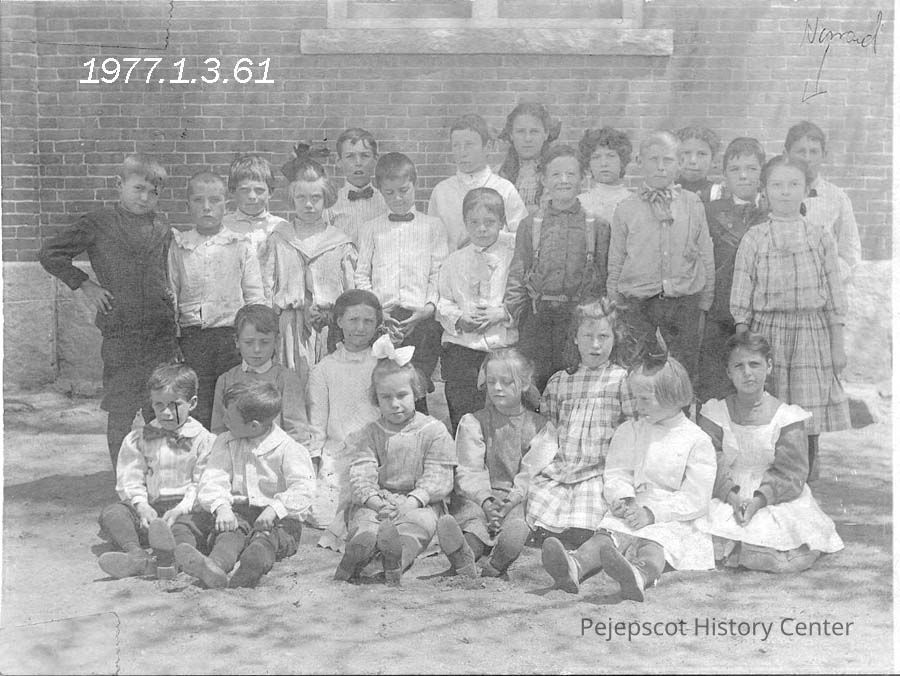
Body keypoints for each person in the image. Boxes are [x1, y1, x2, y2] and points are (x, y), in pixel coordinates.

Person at [542, 336, 716, 602]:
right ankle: (575, 565)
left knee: (655, 545)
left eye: (645, 399)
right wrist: (623, 499)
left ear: (672, 396)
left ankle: (639, 574)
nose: (637, 406)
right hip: (634, 506)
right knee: (605, 537)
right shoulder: (631, 430)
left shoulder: (696, 440)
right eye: (635, 398)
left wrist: (653, 513)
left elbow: (696, 497)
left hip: (672, 516)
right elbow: (617, 472)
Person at [39, 153, 179, 467]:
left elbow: (167, 270)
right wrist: (86, 284)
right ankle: (121, 474)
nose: (145, 198)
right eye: (138, 188)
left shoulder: (162, 226)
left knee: (159, 404)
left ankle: (159, 472)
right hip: (121, 330)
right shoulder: (98, 222)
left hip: (159, 332)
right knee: (122, 405)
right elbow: (50, 253)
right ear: (119, 184)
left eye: (153, 192)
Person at [731, 154, 850, 479]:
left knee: (807, 405)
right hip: (767, 333)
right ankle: (771, 474)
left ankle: (805, 473)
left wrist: (837, 344)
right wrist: (744, 340)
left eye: (794, 184)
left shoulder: (820, 236)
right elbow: (742, 289)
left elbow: (834, 293)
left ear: (807, 189)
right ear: (765, 190)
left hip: (811, 332)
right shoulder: (755, 237)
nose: (785, 192)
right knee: (770, 403)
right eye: (777, 185)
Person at [698, 332, 844, 572]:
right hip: (725, 489)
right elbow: (708, 460)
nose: (747, 372)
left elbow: (792, 473)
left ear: (769, 367)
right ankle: (739, 549)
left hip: (772, 493)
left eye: (754, 364)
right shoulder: (715, 412)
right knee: (701, 528)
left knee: (782, 533)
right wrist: (732, 497)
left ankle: (752, 551)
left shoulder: (786, 417)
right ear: (728, 372)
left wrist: (757, 501)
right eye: (739, 366)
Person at [334, 336, 456, 585]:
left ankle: (396, 558)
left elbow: (438, 475)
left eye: (402, 395)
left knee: (418, 525)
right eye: (386, 397)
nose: (395, 404)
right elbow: (361, 471)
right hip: (379, 500)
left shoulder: (433, 430)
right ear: (376, 399)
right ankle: (358, 552)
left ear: (416, 393)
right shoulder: (370, 432)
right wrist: (376, 503)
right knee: (365, 520)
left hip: (419, 502)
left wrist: (413, 502)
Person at [174, 380, 316, 588]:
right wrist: (222, 508)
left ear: (254, 426)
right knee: (228, 535)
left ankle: (251, 567)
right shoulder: (226, 441)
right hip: (239, 512)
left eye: (229, 418)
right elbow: (213, 477)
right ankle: (214, 566)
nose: (224, 420)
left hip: (279, 520)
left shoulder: (289, 449)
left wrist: (275, 509)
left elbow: (303, 488)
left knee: (266, 541)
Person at [526, 299, 635, 548]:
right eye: (587, 336)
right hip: (561, 468)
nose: (595, 345)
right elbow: (548, 430)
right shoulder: (560, 380)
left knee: (589, 512)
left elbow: (631, 431)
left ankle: (572, 544)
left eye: (603, 337)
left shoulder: (622, 380)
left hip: (598, 470)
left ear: (615, 339)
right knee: (539, 500)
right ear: (575, 338)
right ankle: (550, 540)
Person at [607, 130, 714, 385]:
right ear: (640, 162)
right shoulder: (626, 208)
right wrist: (614, 300)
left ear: (679, 164)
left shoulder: (692, 204)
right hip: (638, 304)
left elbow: (704, 253)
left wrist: (705, 301)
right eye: (653, 159)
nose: (661, 167)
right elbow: (617, 259)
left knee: (682, 372)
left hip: (683, 303)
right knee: (639, 369)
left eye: (668, 160)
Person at [437, 348, 555, 578]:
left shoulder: (540, 427)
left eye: (506, 382)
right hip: (479, 496)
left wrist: (510, 501)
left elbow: (533, 471)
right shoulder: (473, 422)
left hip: (517, 497)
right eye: (492, 382)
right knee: (473, 520)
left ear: (524, 383)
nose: (497, 388)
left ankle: (500, 559)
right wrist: (485, 500)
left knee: (516, 522)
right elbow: (470, 468)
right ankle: (464, 555)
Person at [504, 144, 609, 391]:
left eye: (571, 174)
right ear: (543, 179)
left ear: (583, 178)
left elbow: (604, 278)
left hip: (578, 319)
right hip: (538, 319)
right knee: (535, 387)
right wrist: (513, 318)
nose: (563, 180)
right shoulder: (531, 224)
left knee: (575, 384)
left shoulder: (597, 226)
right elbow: (518, 275)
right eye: (555, 174)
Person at [97, 363, 216, 579]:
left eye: (174, 405)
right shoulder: (139, 438)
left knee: (188, 528)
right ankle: (136, 554)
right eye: (159, 405)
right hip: (150, 507)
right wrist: (141, 506)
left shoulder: (204, 441)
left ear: (192, 403)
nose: (166, 413)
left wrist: (180, 509)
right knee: (113, 513)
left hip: (185, 509)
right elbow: (131, 477)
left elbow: (202, 483)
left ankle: (170, 561)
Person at [168, 171, 266, 429]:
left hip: (230, 338)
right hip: (193, 338)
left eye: (214, 200)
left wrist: (253, 337)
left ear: (226, 204)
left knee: (232, 398)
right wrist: (174, 338)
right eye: (198, 200)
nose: (206, 207)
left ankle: (231, 447)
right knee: (198, 401)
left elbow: (254, 296)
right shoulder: (180, 246)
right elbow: (172, 293)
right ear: (188, 206)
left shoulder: (240, 244)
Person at [355, 152, 447, 413]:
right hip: (383, 319)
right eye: (390, 192)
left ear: (415, 185)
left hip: (421, 319)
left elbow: (438, 272)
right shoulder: (371, 228)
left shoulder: (433, 226)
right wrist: (377, 312)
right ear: (381, 192)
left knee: (415, 387)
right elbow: (361, 274)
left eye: (404, 190)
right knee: (385, 386)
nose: (397, 198)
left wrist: (428, 308)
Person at [261, 156, 356, 384]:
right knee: (292, 384)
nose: (308, 205)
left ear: (326, 199)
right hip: (289, 328)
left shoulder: (340, 242)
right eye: (301, 198)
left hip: (329, 325)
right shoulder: (279, 238)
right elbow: (266, 287)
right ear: (292, 199)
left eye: (315, 198)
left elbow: (351, 291)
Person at [437, 187, 517, 433]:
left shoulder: (513, 257)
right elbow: (443, 301)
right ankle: (465, 451)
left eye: (489, 222)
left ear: (502, 222)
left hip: (500, 347)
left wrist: (503, 312)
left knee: (501, 415)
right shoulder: (454, 261)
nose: (481, 229)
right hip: (463, 348)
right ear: (465, 223)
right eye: (474, 222)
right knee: (465, 413)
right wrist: (459, 318)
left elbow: (521, 295)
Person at [307, 289, 382, 548]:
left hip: (377, 454)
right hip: (338, 454)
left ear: (377, 324)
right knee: (324, 515)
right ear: (339, 321)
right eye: (353, 320)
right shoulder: (324, 369)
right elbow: (317, 425)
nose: (360, 328)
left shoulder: (384, 363)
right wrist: (314, 466)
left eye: (368, 321)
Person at [698, 137, 768, 403]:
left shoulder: (774, 210)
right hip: (720, 311)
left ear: (762, 172)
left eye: (751, 169)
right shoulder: (710, 212)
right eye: (735, 169)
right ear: (725, 174)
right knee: (715, 384)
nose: (743, 176)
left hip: (762, 311)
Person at [210, 304, 308, 445]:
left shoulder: (286, 379)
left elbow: (297, 432)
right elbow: (218, 431)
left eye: (264, 342)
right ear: (237, 341)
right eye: (249, 342)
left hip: (275, 454)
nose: (256, 349)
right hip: (234, 454)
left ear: (276, 341)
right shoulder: (226, 380)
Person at [428, 113, 528, 251]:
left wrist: (492, 238)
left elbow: (523, 237)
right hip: (453, 263)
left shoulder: (505, 189)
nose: (462, 152)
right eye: (456, 145)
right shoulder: (441, 192)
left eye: (469, 144)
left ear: (487, 147)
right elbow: (433, 241)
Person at [783, 120, 861, 284]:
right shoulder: (773, 195)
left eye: (814, 152)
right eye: (801, 151)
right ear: (786, 154)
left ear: (824, 155)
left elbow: (850, 255)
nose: (807, 158)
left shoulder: (837, 199)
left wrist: (823, 277)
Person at [322, 128, 389, 246]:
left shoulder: (386, 202)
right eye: (350, 156)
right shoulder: (331, 205)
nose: (358, 162)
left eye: (365, 155)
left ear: (375, 160)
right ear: (339, 161)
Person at [497, 102, 560, 214]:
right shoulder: (498, 174)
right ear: (511, 135)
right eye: (520, 131)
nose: (527, 138)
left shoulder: (558, 173)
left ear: (545, 134)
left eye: (534, 131)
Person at [221, 154, 288, 258]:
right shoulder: (222, 227)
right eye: (244, 190)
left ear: (270, 192)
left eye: (259, 190)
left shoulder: (281, 228)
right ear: (232, 191)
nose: (252, 196)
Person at [576, 127, 633, 225]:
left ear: (622, 161)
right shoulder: (580, 204)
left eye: (610, 156)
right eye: (596, 157)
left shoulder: (635, 203)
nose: (603, 163)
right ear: (589, 163)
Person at [675, 125, 724, 203]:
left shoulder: (719, 195)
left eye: (701, 154)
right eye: (686, 153)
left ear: (713, 159)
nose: (693, 160)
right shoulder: (663, 193)